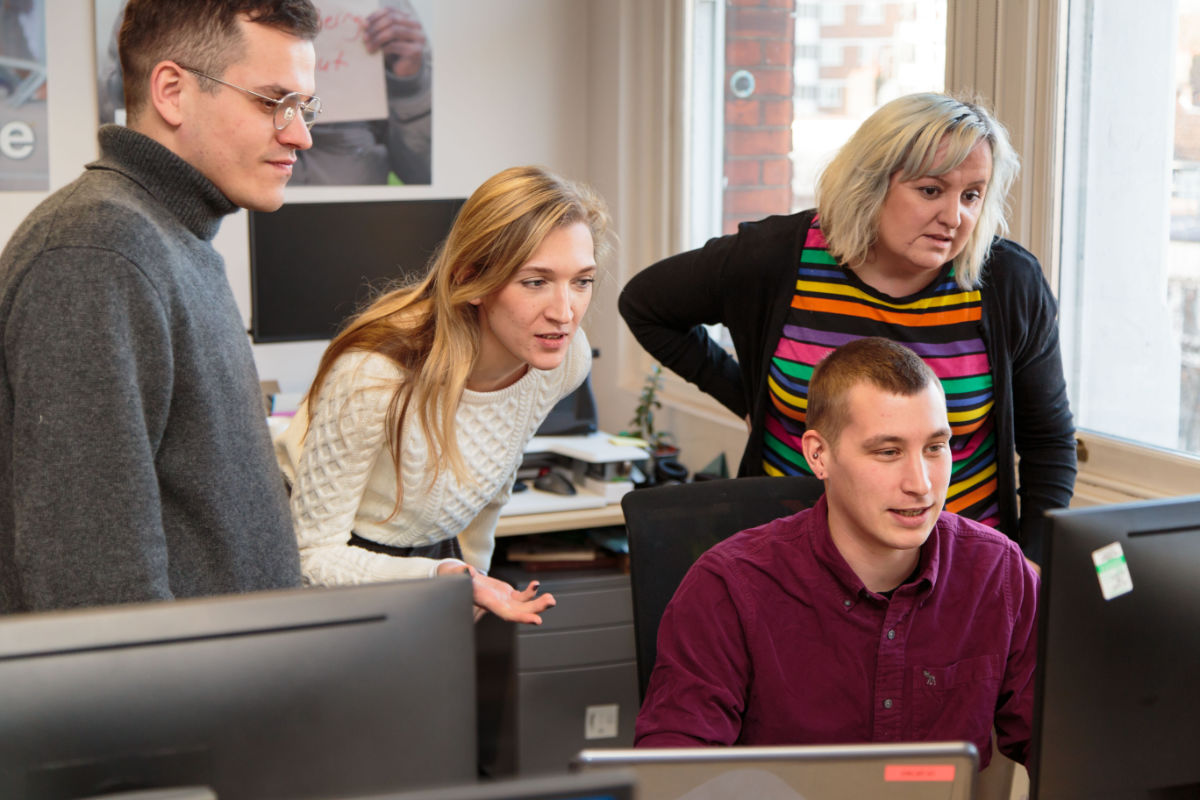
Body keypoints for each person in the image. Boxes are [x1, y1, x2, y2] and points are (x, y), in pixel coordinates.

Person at [619, 92, 1075, 562]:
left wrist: (1035, 561)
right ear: (871, 183)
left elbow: (1048, 442)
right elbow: (645, 305)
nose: (954, 217)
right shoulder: (777, 259)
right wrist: (750, 397)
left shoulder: (1007, 282)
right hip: (793, 563)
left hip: (959, 572)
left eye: (972, 195)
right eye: (931, 191)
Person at [0, 0, 321, 613]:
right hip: (166, 707)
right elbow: (93, 588)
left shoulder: (169, 237)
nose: (299, 134)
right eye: (273, 101)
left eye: (304, 108)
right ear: (172, 92)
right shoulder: (99, 251)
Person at [634, 337, 1038, 770]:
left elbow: (1060, 744)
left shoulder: (997, 572)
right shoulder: (728, 588)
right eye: (888, 452)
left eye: (935, 448)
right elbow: (672, 775)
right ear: (818, 454)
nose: (921, 484)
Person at [276, 165, 611, 624]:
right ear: (472, 280)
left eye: (582, 281)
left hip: (435, 553)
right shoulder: (375, 376)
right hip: (331, 548)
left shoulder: (564, 362)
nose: (564, 312)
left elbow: (492, 483)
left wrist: (474, 584)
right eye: (535, 281)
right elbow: (310, 555)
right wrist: (450, 579)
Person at [291, 0, 431, 185]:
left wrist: (410, 87)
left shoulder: (388, 11)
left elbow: (425, 175)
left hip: (351, 193)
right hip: (262, 204)